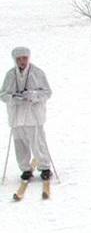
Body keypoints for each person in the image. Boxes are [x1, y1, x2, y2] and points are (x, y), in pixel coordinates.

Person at [0, 47, 53, 181]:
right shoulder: (10, 75)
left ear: (28, 58)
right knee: (20, 144)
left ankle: (45, 167)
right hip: (16, 117)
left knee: (38, 142)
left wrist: (34, 95)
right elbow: (3, 95)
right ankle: (25, 169)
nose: (22, 61)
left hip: (33, 116)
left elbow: (47, 92)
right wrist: (13, 98)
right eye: (19, 59)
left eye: (24, 58)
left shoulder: (37, 73)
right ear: (15, 60)